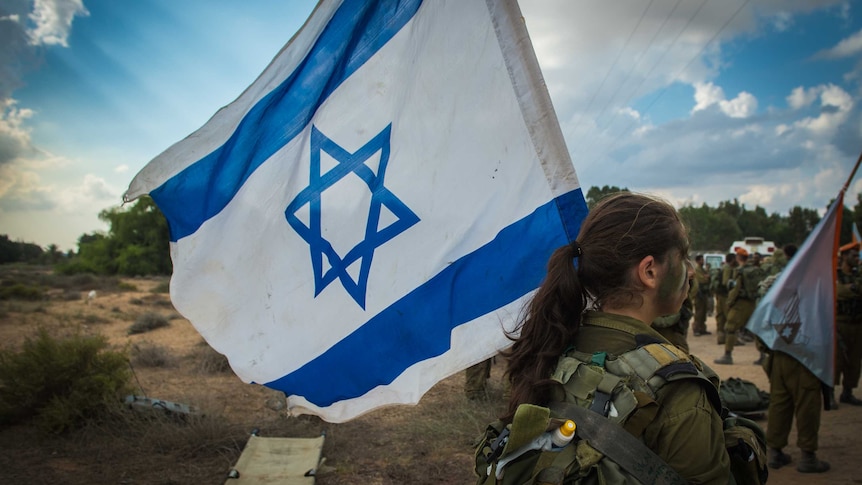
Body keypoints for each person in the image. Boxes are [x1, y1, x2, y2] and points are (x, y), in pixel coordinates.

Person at [501, 192, 731, 483]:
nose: (691, 271)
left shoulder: (552, 346)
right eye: (683, 257)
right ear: (649, 271)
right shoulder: (679, 390)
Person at [715, 248, 765, 365]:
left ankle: (728, 355)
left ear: (738, 258)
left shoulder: (740, 271)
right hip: (752, 302)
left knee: (730, 328)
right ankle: (763, 355)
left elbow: (735, 289)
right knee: (755, 330)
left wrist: (729, 302)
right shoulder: (755, 270)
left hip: (740, 304)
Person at [835, 243, 862, 406]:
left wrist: (848, 289)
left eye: (858, 256)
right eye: (854, 255)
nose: (857, 259)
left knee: (854, 360)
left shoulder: (857, 275)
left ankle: (848, 392)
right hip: (840, 323)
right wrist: (850, 290)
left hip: (857, 324)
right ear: (844, 256)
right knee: (836, 360)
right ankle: (829, 392)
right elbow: (836, 292)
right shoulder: (835, 274)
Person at [715, 253, 736, 345]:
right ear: (732, 259)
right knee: (729, 316)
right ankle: (730, 339)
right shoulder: (727, 268)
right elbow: (725, 282)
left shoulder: (723, 267)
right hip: (725, 295)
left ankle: (721, 337)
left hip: (720, 294)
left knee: (721, 316)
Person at [692, 254, 712, 336]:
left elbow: (708, 278)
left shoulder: (702, 270)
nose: (703, 261)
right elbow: (703, 280)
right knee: (699, 312)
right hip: (699, 294)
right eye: (701, 260)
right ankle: (696, 329)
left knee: (703, 312)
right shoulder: (697, 270)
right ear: (697, 261)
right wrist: (706, 277)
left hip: (704, 293)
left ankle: (702, 328)